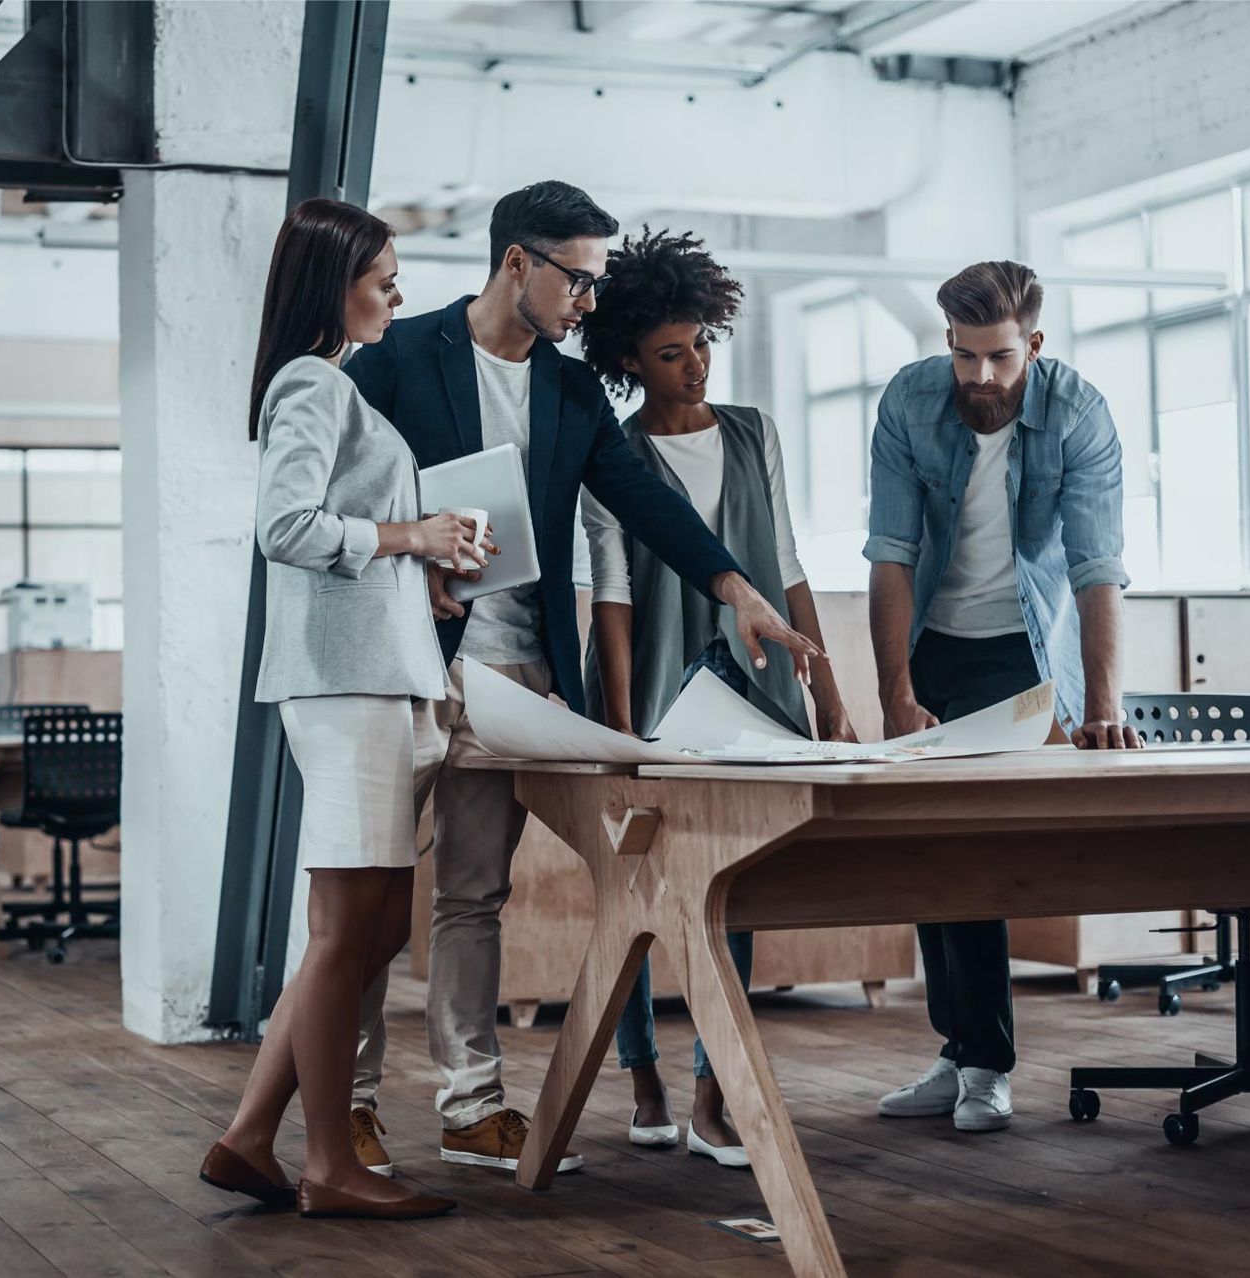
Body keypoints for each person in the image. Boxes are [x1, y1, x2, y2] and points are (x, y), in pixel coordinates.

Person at [340, 181, 821, 1179]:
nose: (588, 304)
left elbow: (644, 502)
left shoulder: (566, 389)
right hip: (403, 664)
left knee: (473, 895)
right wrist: (406, 554)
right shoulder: (396, 358)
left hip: (516, 674)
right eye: (578, 280)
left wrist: (739, 591)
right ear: (519, 261)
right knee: (370, 898)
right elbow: (334, 500)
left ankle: (472, 1108)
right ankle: (344, 1107)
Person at [201, 199, 489, 1221]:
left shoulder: (328, 383)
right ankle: (330, 1164)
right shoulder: (312, 382)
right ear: (334, 283)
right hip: (347, 687)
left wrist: (427, 572)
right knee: (345, 931)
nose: (398, 294)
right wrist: (412, 539)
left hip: (371, 674)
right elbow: (286, 524)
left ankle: (248, 1139)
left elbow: (345, 540)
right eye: (384, 277)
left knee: (360, 933)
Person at [576, 228, 858, 1168]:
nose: (693, 365)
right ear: (628, 361)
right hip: (655, 682)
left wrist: (834, 696)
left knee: (724, 895)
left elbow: (782, 564)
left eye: (701, 343)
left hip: (759, 684)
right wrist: (617, 725)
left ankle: (711, 1096)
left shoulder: (753, 432)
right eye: (669, 353)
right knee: (633, 900)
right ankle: (644, 1079)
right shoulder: (610, 455)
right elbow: (612, 590)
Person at [866, 259, 1138, 1135]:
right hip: (930, 641)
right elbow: (891, 555)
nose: (981, 378)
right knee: (921, 852)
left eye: (1001, 358)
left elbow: (1097, 568)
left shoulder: (1079, 412)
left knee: (972, 850)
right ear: (946, 341)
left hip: (1019, 647)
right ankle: (957, 1053)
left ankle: (985, 1063)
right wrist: (896, 693)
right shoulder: (909, 403)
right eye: (965, 356)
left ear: (1035, 344)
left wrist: (1102, 704)